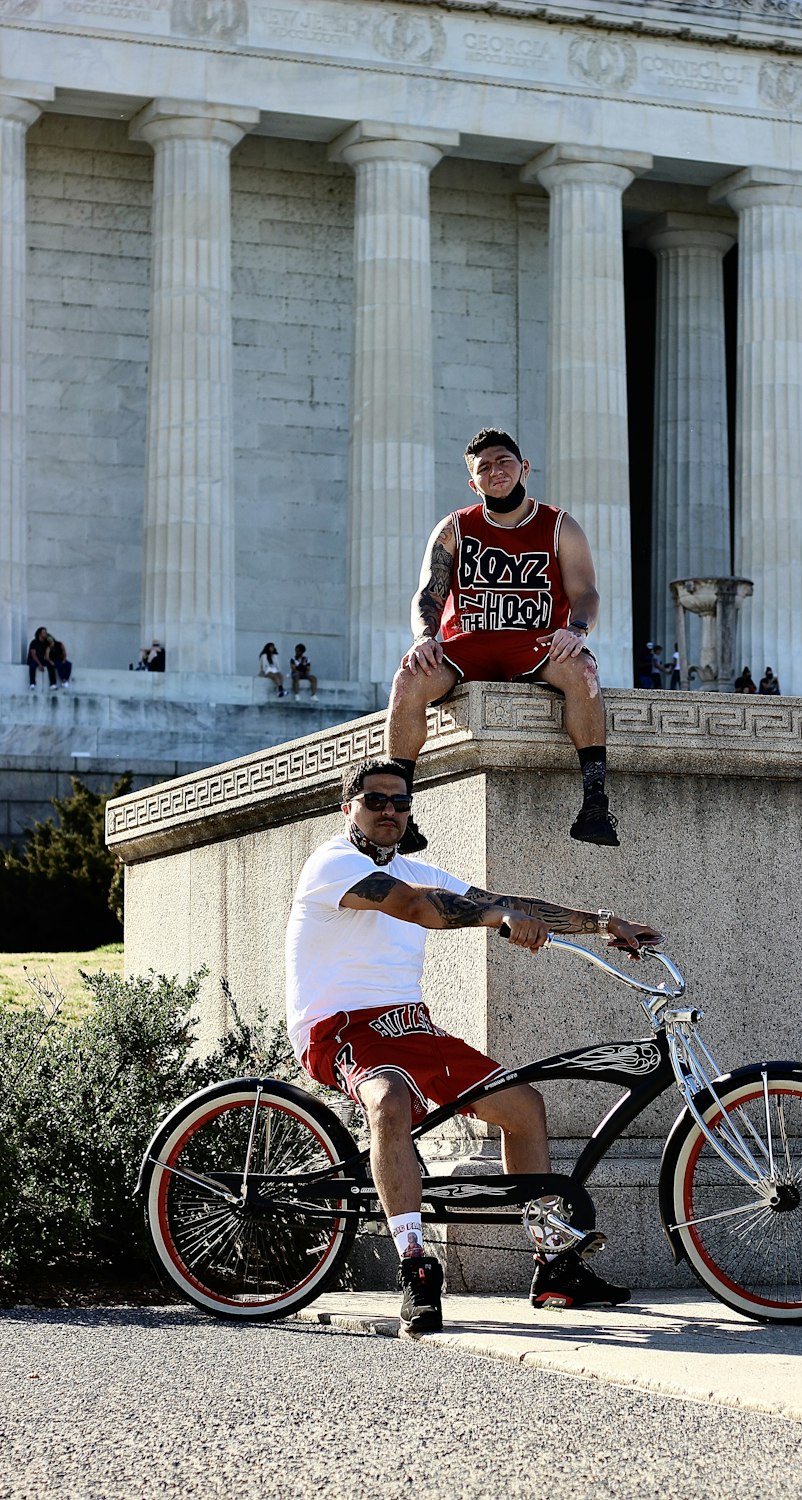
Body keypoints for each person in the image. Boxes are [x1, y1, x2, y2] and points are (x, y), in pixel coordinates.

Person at [285, 759, 663, 1337]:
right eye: (375, 800)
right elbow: (415, 907)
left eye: (400, 802)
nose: (389, 811)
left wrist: (603, 922)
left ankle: (552, 1263)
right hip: (339, 1028)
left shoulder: (418, 867)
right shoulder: (332, 863)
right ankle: (414, 1265)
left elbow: (502, 899)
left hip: (410, 1024)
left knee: (523, 1108)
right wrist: (495, 917)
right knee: (388, 1102)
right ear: (349, 808)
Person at [385, 428, 620, 854]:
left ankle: (595, 803)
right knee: (408, 678)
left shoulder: (559, 526)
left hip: (535, 640)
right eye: (485, 467)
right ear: (474, 483)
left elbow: (586, 591)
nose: (496, 471)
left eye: (504, 461)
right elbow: (429, 593)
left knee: (584, 670)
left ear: (524, 467)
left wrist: (577, 630)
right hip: (469, 644)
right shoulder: (454, 528)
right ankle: (402, 810)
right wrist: (423, 637)